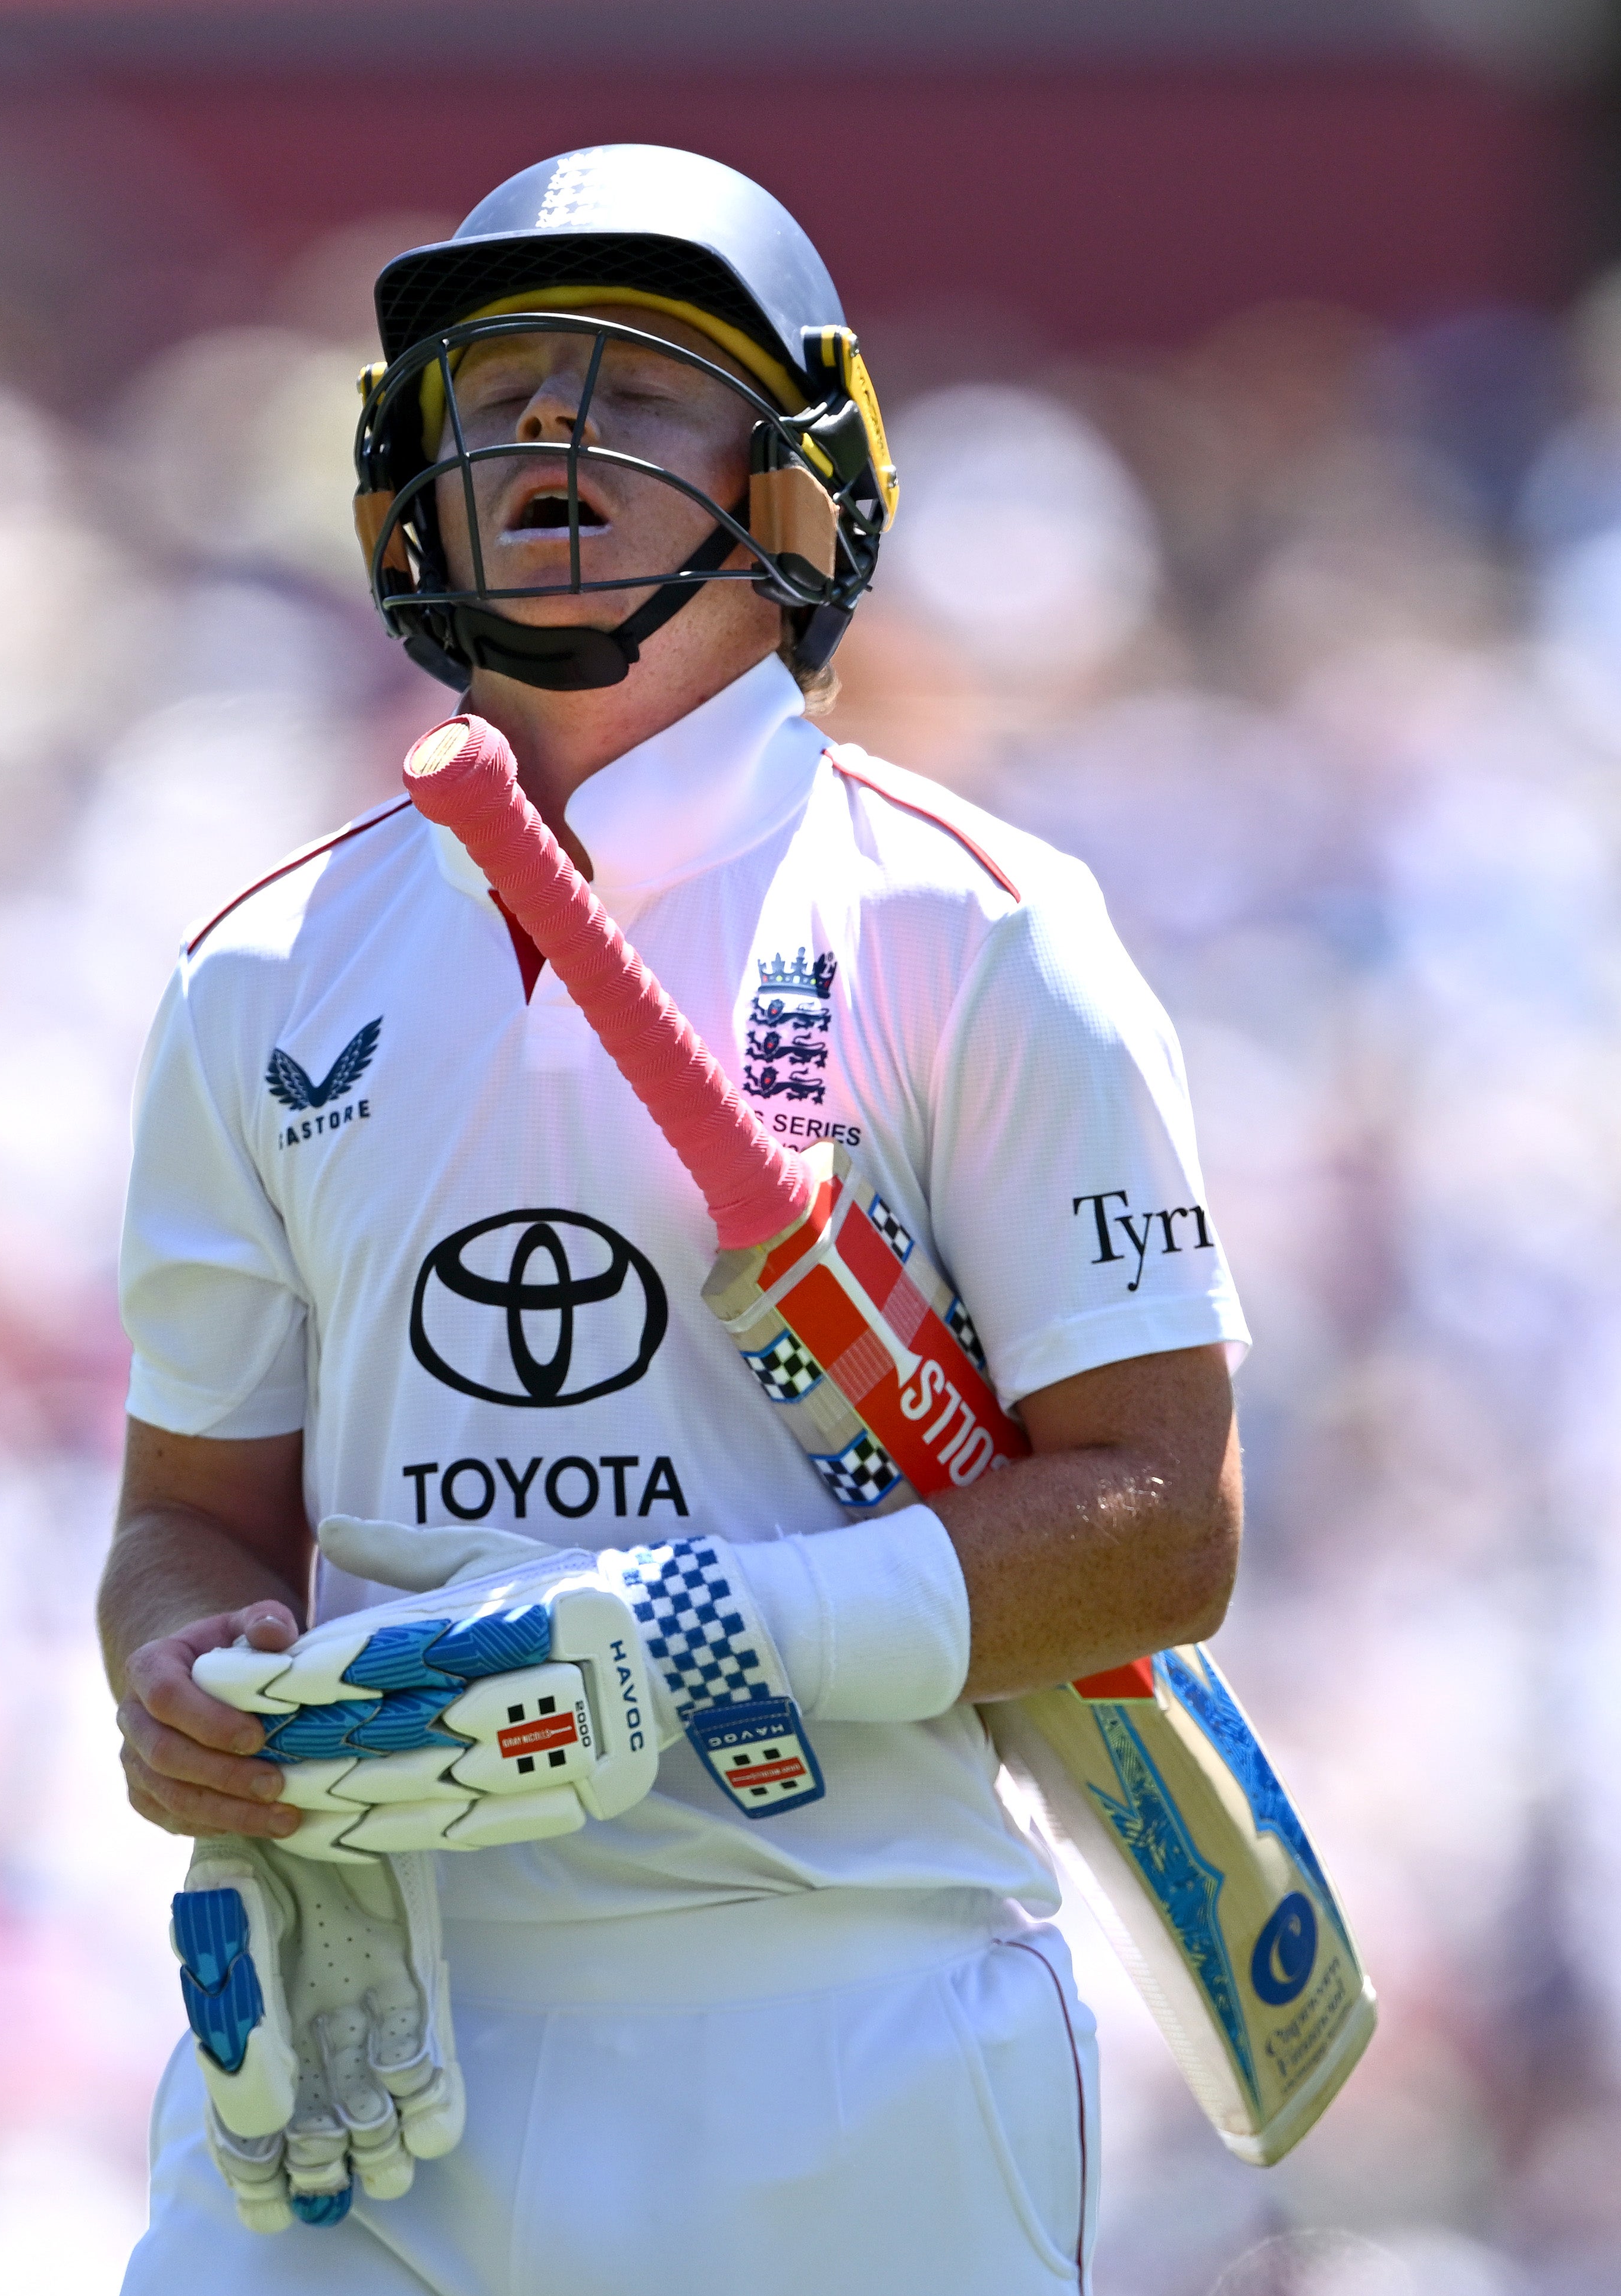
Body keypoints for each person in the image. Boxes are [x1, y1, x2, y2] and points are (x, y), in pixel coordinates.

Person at [103, 145, 1245, 2293]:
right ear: (398, 490)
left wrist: (696, 1638)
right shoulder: (257, 968)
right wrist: (183, 1681)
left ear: (806, 482)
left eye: (637, 393)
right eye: (502, 389)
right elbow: (192, 1516)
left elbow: (1164, 1522)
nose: (551, 435)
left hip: (840, 2034)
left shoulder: (973, 927)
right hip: (382, 2038)